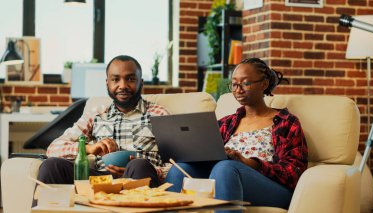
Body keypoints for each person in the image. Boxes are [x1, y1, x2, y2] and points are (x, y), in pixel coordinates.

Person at [165, 58, 308, 209]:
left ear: (264, 84)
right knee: (179, 169)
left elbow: (294, 172)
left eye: (245, 83)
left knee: (226, 167)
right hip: (224, 179)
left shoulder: (286, 122)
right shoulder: (226, 123)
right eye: (234, 84)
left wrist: (251, 163)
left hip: (271, 188)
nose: (238, 90)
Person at [37, 55, 170, 187]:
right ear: (107, 83)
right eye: (115, 79)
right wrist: (89, 148)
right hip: (101, 181)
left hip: (141, 178)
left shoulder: (159, 114)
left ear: (141, 83)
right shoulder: (96, 115)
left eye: (130, 79)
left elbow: (177, 165)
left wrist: (152, 170)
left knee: (138, 165)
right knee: (51, 165)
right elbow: (53, 149)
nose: (122, 85)